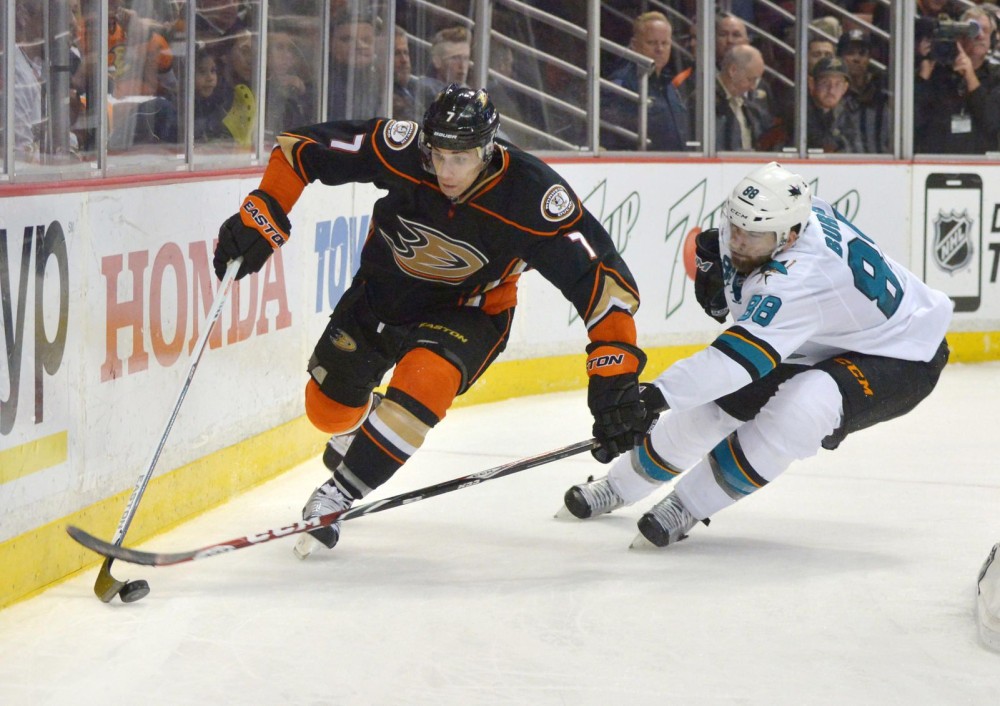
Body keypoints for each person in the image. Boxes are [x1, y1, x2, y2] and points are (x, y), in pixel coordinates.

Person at [211, 84, 647, 557]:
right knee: (327, 411)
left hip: (470, 311)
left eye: (460, 158)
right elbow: (300, 150)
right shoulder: (403, 149)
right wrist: (263, 211)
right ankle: (368, 429)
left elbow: (601, 282)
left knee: (425, 381)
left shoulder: (533, 195)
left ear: (488, 149)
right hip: (382, 293)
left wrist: (615, 371)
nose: (446, 171)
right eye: (438, 155)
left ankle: (336, 497)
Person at [561, 161, 953, 548]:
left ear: (790, 237)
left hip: (905, 353)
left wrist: (653, 397)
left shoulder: (801, 277)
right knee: (717, 405)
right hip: (828, 334)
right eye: (734, 228)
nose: (738, 242)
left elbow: (733, 361)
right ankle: (618, 486)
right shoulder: (780, 219)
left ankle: (688, 505)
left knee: (802, 409)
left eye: (753, 236)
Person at [914, 6, 1000, 154]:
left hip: (980, 164)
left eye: (985, 31)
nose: (980, 35)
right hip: (934, 161)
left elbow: (992, 122)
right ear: (960, 36)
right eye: (973, 29)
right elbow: (911, 119)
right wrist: (924, 74)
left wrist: (970, 77)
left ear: (991, 40)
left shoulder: (996, 76)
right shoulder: (936, 73)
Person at [602, 11, 689, 151]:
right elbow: (610, 138)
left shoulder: (669, 84)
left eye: (665, 43)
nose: (660, 49)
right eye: (652, 43)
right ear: (634, 45)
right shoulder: (622, 83)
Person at [838, 28, 891, 154]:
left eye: (862, 53)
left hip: (882, 161)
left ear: (868, 58)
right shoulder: (833, 92)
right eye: (850, 53)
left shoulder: (881, 91)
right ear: (839, 57)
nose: (857, 58)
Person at [715, 44, 775, 151]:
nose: (753, 87)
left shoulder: (747, 105)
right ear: (733, 70)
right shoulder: (705, 102)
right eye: (750, 79)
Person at [328, 8, 383, 120]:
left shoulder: (381, 82)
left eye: (366, 40)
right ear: (330, 44)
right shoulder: (322, 83)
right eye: (347, 40)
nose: (360, 46)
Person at [807, 56, 863, 153]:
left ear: (845, 88)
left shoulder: (852, 115)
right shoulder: (798, 113)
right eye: (825, 83)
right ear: (812, 84)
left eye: (838, 84)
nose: (831, 90)